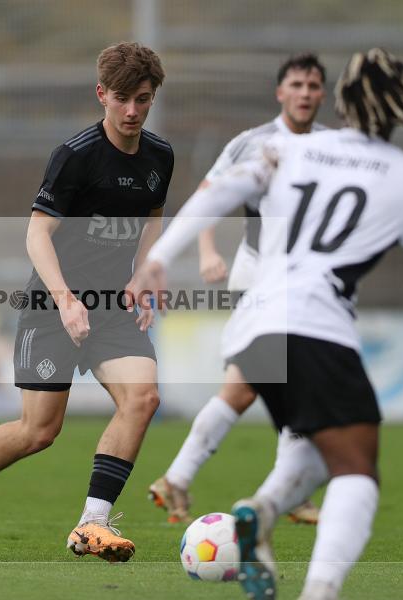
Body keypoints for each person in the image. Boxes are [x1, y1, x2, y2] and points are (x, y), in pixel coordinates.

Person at [131, 49, 403, 600]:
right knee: (357, 472)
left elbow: (217, 191)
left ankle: (262, 510)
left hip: (254, 323)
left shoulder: (297, 149)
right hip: (318, 327)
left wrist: (159, 259)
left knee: (311, 444)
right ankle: (319, 591)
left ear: (340, 98)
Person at [0, 42, 173, 563]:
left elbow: (152, 217)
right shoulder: (75, 156)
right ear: (101, 94)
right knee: (39, 431)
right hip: (51, 304)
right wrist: (66, 300)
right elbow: (37, 236)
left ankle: (92, 525)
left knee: (143, 399)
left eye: (142, 100)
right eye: (122, 98)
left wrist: (145, 272)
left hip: (111, 307)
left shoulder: (159, 157)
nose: (131, 111)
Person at [148, 53, 327, 526]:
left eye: (313, 85)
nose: (305, 92)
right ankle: (185, 478)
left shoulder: (333, 147)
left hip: (305, 286)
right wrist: (207, 249)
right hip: (262, 279)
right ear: (280, 93)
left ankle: (280, 489)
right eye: (297, 84)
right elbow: (210, 194)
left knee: (278, 387)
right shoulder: (254, 143)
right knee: (262, 385)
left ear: (322, 94)